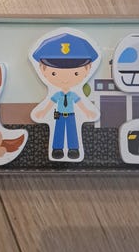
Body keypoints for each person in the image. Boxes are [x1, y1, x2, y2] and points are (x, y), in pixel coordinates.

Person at [31, 31, 100, 161]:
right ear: (42, 69)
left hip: (72, 115)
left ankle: (73, 149)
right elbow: (50, 103)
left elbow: (80, 103)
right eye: (54, 73)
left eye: (75, 73)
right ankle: (57, 149)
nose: (64, 79)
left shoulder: (73, 94)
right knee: (58, 132)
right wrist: (43, 112)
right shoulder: (57, 94)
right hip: (58, 115)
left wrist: (87, 111)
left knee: (72, 132)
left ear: (88, 69)